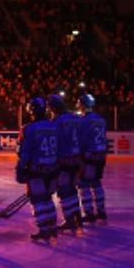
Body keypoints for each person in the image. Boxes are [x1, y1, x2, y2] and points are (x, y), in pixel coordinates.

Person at [15, 97, 59, 244]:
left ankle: (44, 230)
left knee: (37, 200)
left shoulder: (28, 129)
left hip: (37, 170)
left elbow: (24, 152)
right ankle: (53, 227)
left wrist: (21, 168)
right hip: (53, 168)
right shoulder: (54, 126)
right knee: (48, 197)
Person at [48, 93, 84, 234]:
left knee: (63, 191)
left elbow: (54, 142)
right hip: (76, 159)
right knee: (72, 190)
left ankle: (70, 220)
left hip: (63, 160)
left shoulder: (57, 122)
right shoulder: (76, 118)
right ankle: (77, 217)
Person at [75, 92, 109, 224]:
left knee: (83, 184)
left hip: (88, 155)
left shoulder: (83, 121)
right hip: (101, 154)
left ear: (82, 105)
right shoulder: (101, 120)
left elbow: (82, 140)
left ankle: (88, 212)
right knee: (96, 183)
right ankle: (101, 211)